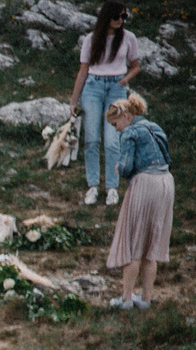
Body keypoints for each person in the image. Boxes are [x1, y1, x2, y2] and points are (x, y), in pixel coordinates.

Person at [72, 3, 145, 208]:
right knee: (92, 140)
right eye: (116, 17)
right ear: (106, 17)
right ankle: (93, 186)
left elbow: (136, 66)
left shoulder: (128, 38)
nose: (120, 20)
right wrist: (74, 100)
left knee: (112, 141)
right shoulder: (91, 39)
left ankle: (112, 187)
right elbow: (83, 70)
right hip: (93, 87)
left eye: (123, 17)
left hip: (116, 88)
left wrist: (123, 81)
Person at [108, 90, 174, 308]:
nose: (116, 129)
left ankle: (126, 299)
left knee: (135, 244)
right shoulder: (155, 127)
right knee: (151, 247)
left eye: (115, 124)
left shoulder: (130, 132)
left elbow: (126, 167)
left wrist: (118, 168)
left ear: (125, 116)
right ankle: (145, 299)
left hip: (145, 183)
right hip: (166, 183)